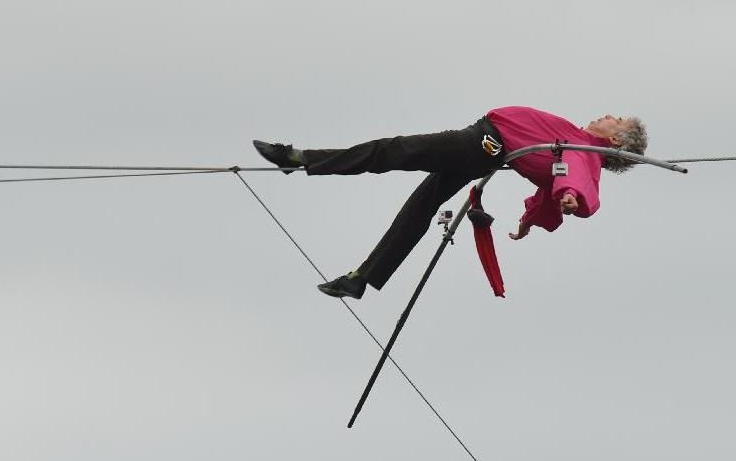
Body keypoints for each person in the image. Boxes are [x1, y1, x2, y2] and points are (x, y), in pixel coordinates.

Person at [253, 106, 648, 299]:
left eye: (616, 120)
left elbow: (575, 179)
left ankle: (301, 159)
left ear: (615, 140)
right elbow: (557, 182)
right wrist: (530, 220)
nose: (608, 114)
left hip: (481, 144)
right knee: (419, 207)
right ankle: (361, 279)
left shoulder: (585, 150)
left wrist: (570, 196)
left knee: (394, 150)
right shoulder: (575, 144)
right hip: (484, 148)